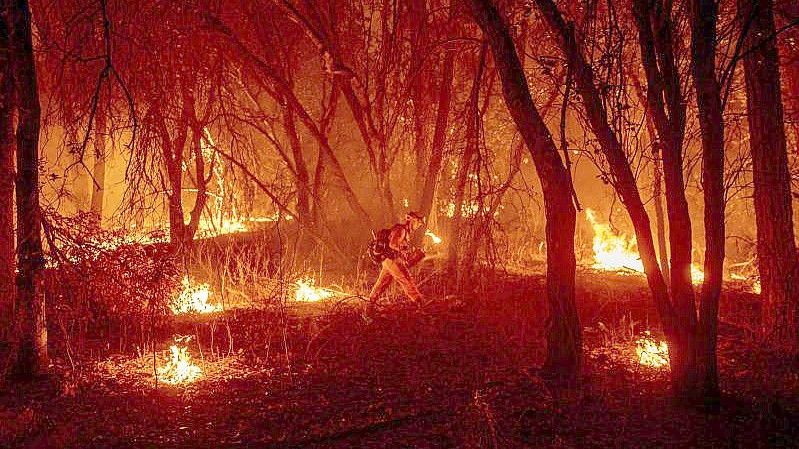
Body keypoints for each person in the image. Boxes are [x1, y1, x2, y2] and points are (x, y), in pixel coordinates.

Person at [368, 211, 426, 305]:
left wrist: (411, 253)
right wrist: (404, 249)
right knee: (406, 279)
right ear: (411, 220)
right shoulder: (401, 230)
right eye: (418, 222)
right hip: (393, 260)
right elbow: (392, 244)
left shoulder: (404, 231)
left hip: (388, 261)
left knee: (382, 283)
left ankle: (369, 304)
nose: (419, 225)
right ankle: (420, 302)